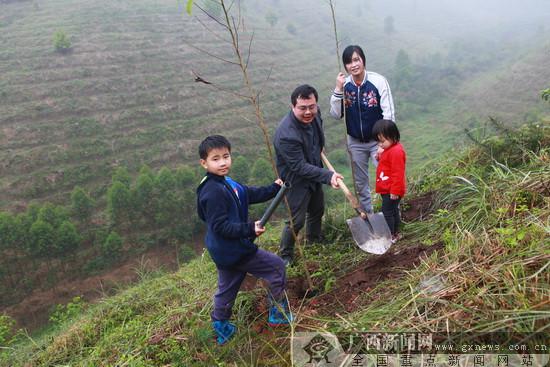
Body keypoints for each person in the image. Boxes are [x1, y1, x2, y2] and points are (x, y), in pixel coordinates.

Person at [196, 135, 292, 346]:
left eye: (226, 156)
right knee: (276, 267)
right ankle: (278, 313)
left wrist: (273, 188)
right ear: (204, 163)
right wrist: (248, 228)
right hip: (234, 250)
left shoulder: (225, 182)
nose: (222, 162)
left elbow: (247, 193)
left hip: (224, 252)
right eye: (215, 159)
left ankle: (221, 326)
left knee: (227, 288)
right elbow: (219, 226)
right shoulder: (212, 192)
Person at [273, 84, 343, 266]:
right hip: (295, 179)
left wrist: (320, 145)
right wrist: (328, 176)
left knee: (317, 209)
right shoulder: (286, 134)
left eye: (311, 107)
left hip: (314, 168)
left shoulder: (315, 114)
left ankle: (314, 239)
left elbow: (319, 129)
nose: (308, 112)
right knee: (295, 220)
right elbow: (298, 167)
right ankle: (286, 255)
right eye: (302, 108)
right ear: (292, 107)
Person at [330, 45, 396, 214]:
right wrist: (338, 89)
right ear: (345, 66)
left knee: (386, 179)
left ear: (363, 60)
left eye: (356, 60)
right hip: (355, 143)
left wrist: (384, 144)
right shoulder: (345, 86)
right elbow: (336, 115)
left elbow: (388, 113)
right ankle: (369, 219)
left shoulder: (378, 81)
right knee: (361, 185)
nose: (353, 65)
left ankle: (392, 217)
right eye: (349, 62)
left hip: (378, 142)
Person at [372, 119, 406, 243]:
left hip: (391, 190)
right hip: (388, 188)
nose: (380, 145)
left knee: (387, 212)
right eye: (378, 141)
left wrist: (395, 190)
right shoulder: (389, 149)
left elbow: (398, 173)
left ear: (393, 136)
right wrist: (380, 156)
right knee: (393, 210)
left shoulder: (396, 151)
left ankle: (390, 235)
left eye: (382, 141)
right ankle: (395, 233)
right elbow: (387, 162)